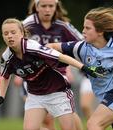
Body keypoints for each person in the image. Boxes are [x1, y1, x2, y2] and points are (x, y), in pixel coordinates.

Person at [0, 18, 104, 130]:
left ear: (21, 33)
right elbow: (5, 76)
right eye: (6, 33)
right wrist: (1, 97)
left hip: (58, 92)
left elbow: (61, 57)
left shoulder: (33, 47)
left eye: (13, 32)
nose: (10, 36)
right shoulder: (6, 57)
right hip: (36, 96)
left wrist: (84, 67)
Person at [46, 7, 113, 130]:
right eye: (84, 27)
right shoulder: (81, 48)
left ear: (100, 31)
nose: (83, 31)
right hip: (109, 98)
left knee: (93, 124)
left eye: (88, 28)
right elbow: (52, 46)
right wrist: (37, 50)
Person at [20, 0, 84, 129]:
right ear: (36, 7)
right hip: (35, 79)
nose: (47, 9)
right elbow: (15, 48)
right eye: (44, 6)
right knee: (45, 119)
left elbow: (82, 45)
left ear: (56, 7)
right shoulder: (26, 25)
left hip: (59, 77)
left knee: (69, 115)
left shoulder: (63, 26)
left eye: (51, 6)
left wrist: (70, 68)